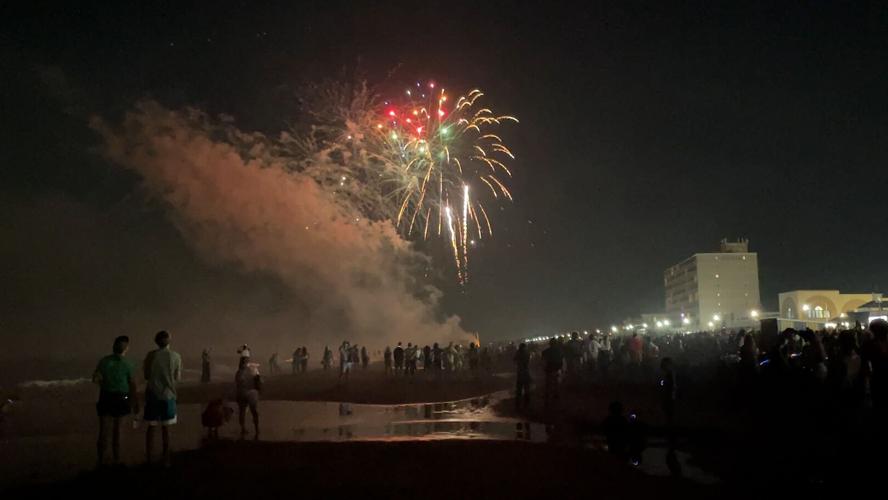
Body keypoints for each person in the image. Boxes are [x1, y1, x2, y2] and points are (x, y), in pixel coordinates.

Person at [93, 335, 139, 467]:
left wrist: (104, 383)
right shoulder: (129, 363)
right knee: (118, 430)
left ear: (114, 347)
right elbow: (132, 384)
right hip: (122, 397)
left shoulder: (104, 361)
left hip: (106, 395)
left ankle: (101, 459)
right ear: (126, 348)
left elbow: (96, 379)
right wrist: (134, 402)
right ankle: (116, 459)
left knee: (103, 430)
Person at [143, 330, 182, 467]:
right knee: (166, 427)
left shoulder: (150, 355)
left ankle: (149, 455)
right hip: (168, 394)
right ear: (169, 340)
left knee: (152, 426)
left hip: (153, 393)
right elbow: (177, 378)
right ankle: (166, 457)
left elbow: (146, 375)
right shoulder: (176, 356)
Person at [235, 357, 261, 439]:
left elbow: (239, 383)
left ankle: (245, 428)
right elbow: (256, 381)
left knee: (243, 411)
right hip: (249, 393)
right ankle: (256, 429)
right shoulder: (248, 371)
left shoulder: (239, 372)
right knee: (253, 411)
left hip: (243, 393)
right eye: (246, 362)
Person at [541, 338, 563, 408]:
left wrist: (544, 368)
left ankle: (547, 399)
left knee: (548, 385)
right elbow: (562, 360)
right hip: (557, 369)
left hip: (549, 370)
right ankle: (556, 397)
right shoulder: (559, 351)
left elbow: (543, 362)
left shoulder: (545, 352)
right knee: (556, 383)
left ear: (549, 344)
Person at [514, 343, 531, 411]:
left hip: (520, 372)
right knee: (526, 388)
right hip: (525, 371)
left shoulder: (518, 353)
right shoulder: (527, 353)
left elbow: (514, 360)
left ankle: (518, 405)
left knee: (519, 389)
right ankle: (526, 404)